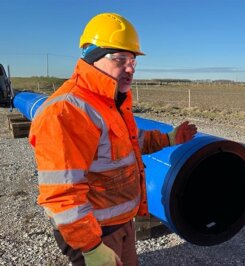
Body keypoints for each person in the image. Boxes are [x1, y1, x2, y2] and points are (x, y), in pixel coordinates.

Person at [29, 13, 197, 266]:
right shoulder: (67, 111)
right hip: (94, 232)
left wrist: (169, 139)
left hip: (120, 223)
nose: (130, 68)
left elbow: (129, 142)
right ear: (93, 57)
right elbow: (61, 194)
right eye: (120, 59)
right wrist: (92, 247)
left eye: (132, 60)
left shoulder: (111, 103)